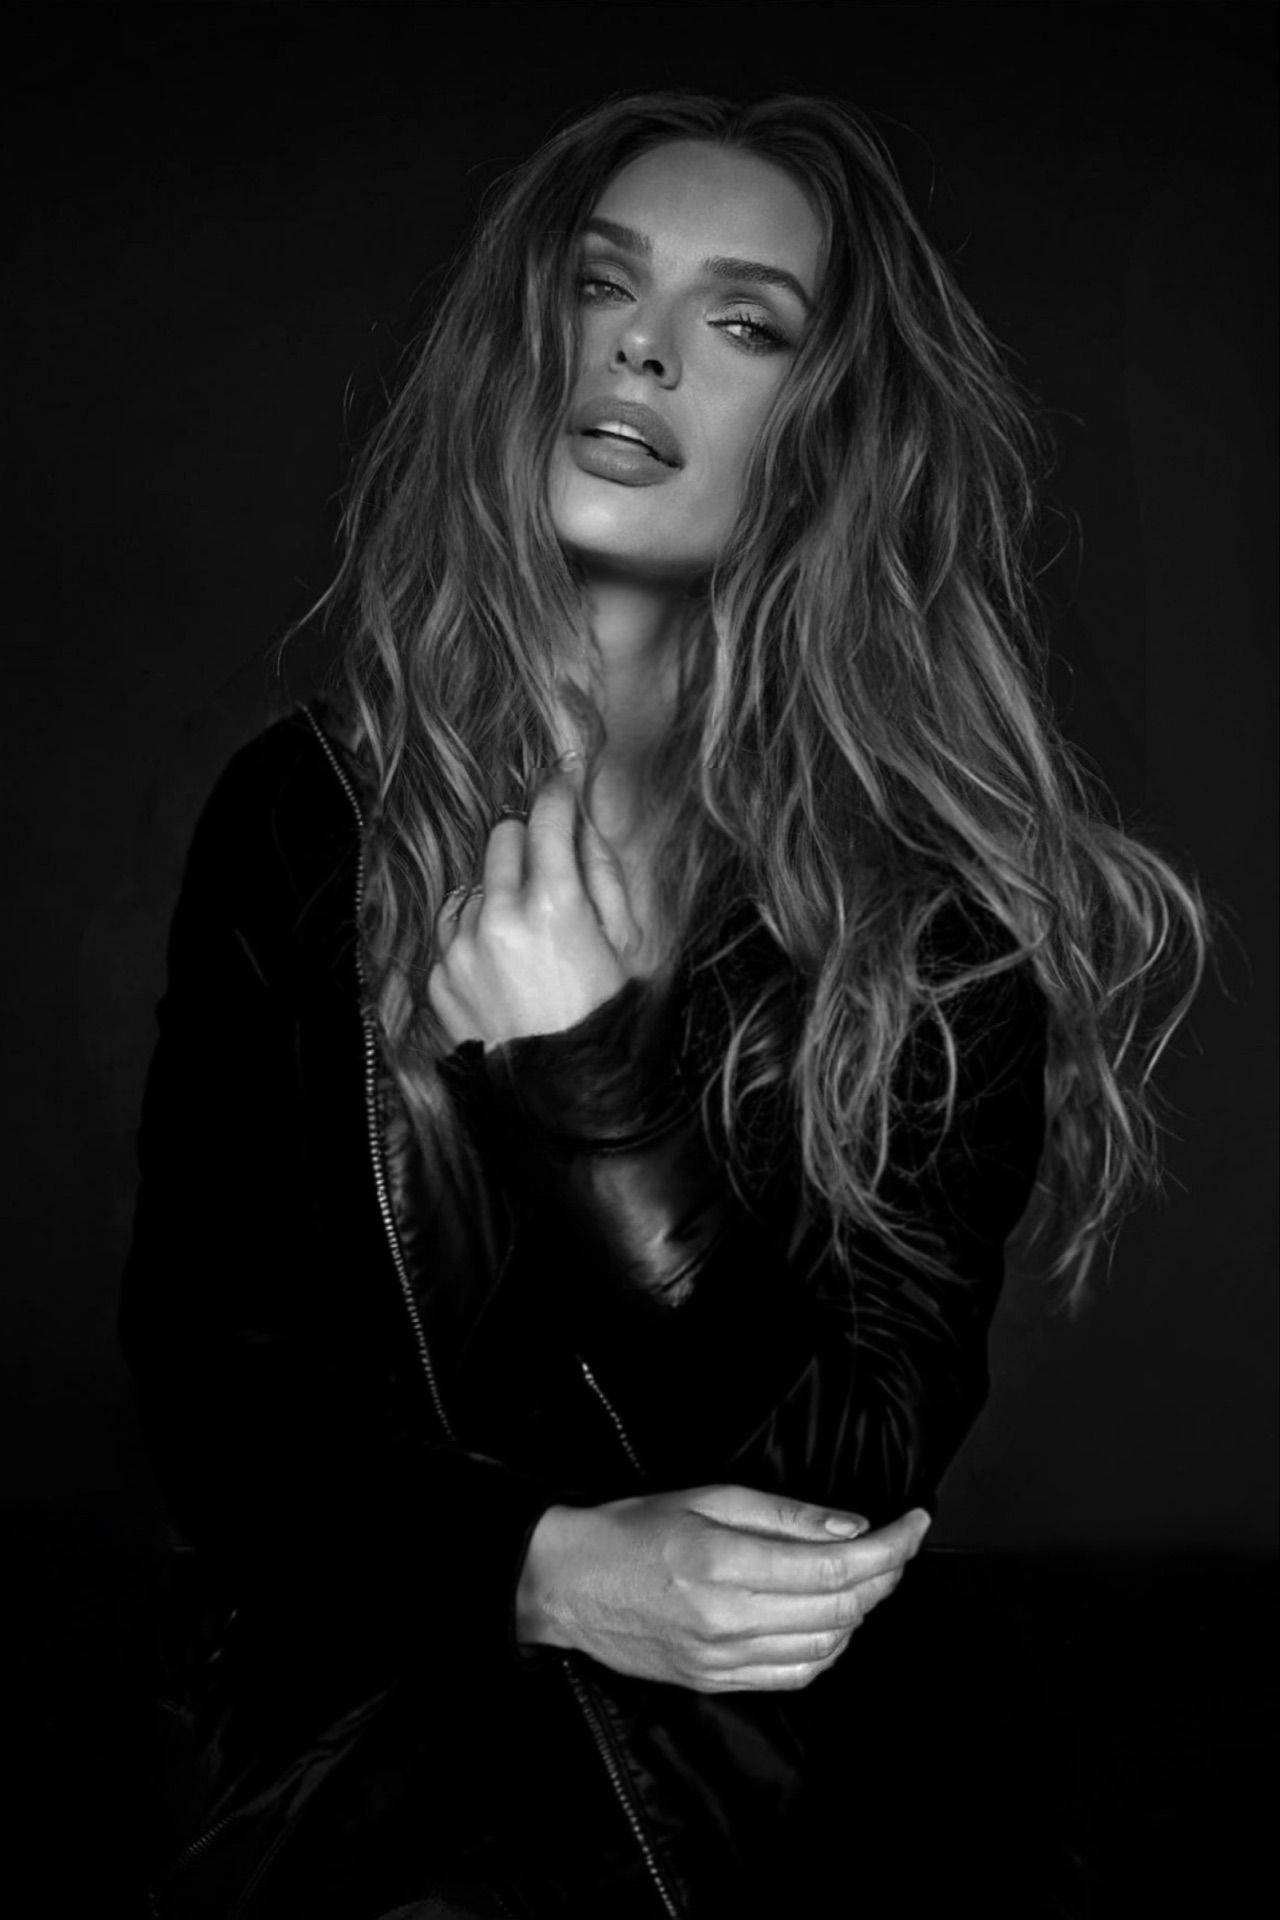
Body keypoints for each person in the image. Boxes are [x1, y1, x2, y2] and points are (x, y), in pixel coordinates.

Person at [119, 91, 1211, 1920]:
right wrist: (543, 1570)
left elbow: (854, 1471)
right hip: (376, 1751)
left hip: (796, 1786)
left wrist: (583, 1085)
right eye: (601, 283)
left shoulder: (930, 918)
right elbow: (219, 1397)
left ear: (831, 435)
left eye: (745, 322)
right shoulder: (304, 819)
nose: (639, 346)